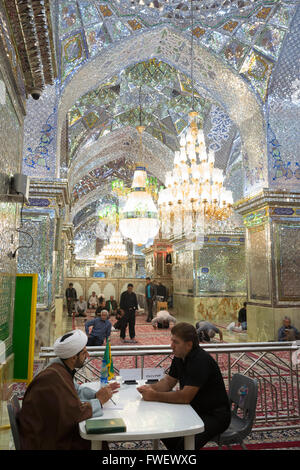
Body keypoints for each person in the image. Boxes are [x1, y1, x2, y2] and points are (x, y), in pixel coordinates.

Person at [17, 329, 120, 450]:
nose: (88, 356)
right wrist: (99, 401)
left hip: (51, 431)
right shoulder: (53, 377)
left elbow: (77, 390)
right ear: (73, 357)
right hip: (45, 441)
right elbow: (75, 414)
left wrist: (97, 395)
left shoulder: (60, 369)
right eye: (84, 353)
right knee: (93, 440)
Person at [137, 322, 230, 450]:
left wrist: (154, 396)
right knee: (164, 429)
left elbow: (185, 397)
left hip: (214, 415)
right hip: (193, 409)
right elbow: (169, 381)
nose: (171, 346)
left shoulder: (200, 361)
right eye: (171, 341)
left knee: (185, 444)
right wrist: (150, 389)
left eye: (176, 342)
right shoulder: (180, 356)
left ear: (189, 344)